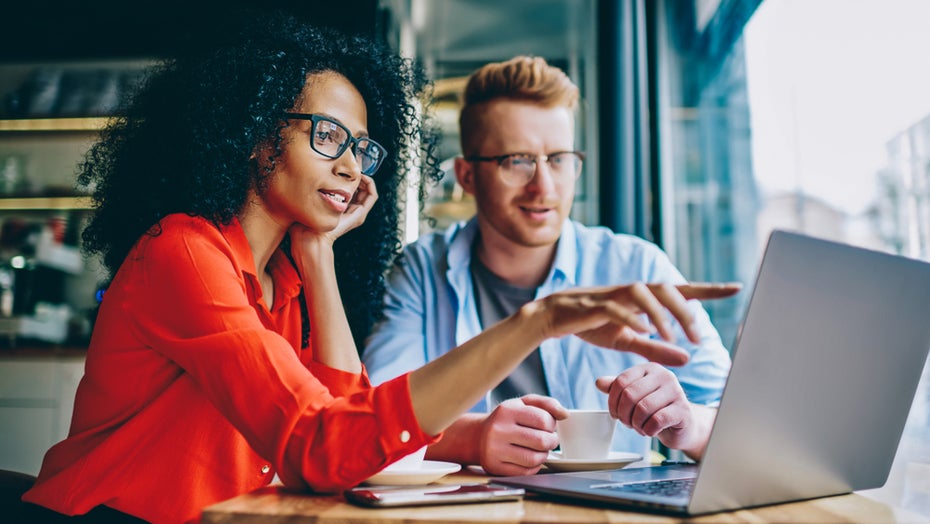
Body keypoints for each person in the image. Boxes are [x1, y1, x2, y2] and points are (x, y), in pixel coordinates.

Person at [19, 17, 736, 522]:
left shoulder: (286, 279)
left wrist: (320, 253)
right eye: (327, 135)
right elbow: (324, 446)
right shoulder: (184, 253)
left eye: (360, 148)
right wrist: (536, 323)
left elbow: (345, 432)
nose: (347, 165)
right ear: (252, 136)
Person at [362, 55, 736, 476]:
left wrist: (687, 425)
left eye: (558, 159)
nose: (544, 186)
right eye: (517, 161)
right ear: (467, 176)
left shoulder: (636, 266)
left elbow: (740, 419)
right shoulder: (422, 269)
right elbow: (372, 419)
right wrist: (474, 437)